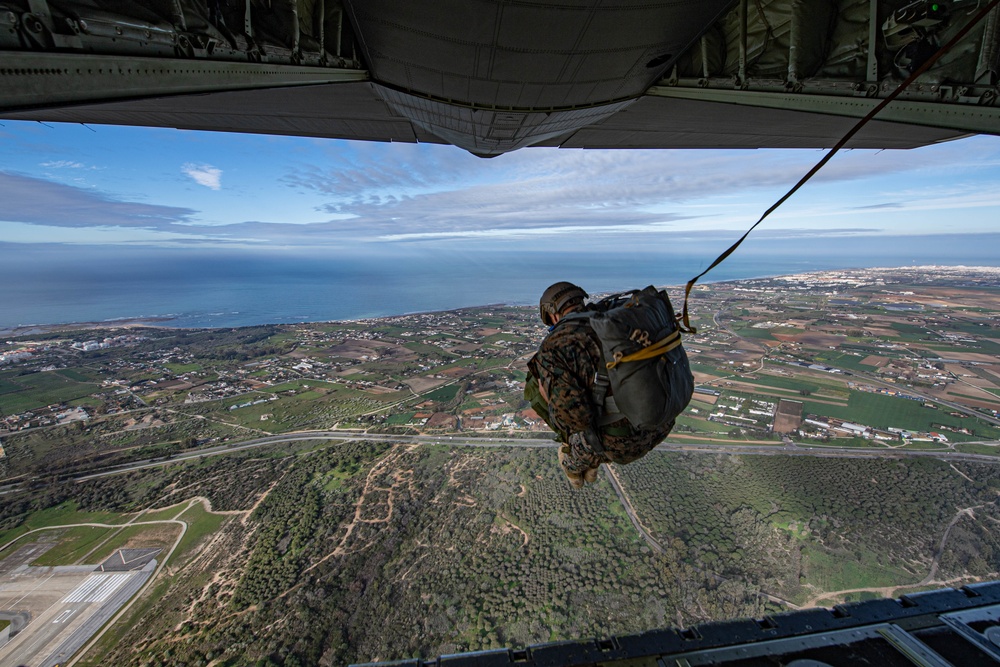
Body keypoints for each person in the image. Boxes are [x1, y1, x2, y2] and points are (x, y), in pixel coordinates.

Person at [525, 282, 675, 488]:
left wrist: (549, 397)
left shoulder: (555, 346)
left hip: (625, 444)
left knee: (567, 455)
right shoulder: (614, 321)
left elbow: (576, 420)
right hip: (663, 421)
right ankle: (591, 458)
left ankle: (580, 464)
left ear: (551, 315)